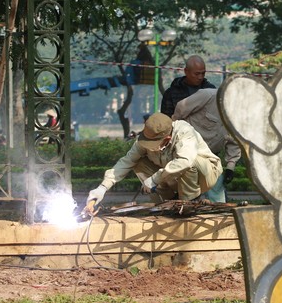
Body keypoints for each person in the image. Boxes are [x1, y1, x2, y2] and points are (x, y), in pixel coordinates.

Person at [84, 112, 223, 213]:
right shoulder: (144, 138)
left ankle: (188, 204)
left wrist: (154, 179)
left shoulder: (184, 132)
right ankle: (169, 202)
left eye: (154, 142)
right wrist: (102, 187)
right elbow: (127, 161)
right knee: (138, 163)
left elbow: (185, 161)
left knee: (189, 163)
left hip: (205, 176)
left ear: (168, 138)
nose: (149, 145)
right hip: (174, 178)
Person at [172, 88, 241, 203]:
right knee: (186, 194)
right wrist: (173, 130)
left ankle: (217, 217)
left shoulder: (240, 115)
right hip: (186, 152)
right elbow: (181, 108)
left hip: (211, 157)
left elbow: (235, 141)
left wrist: (230, 167)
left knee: (217, 195)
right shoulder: (208, 95)